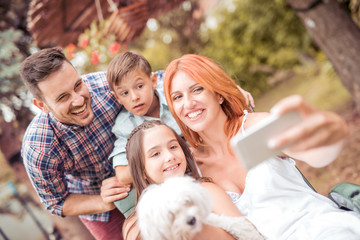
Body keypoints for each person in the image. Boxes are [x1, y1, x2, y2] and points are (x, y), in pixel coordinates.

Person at [163, 54, 360, 239]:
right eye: (177, 97)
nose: (188, 103)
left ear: (218, 94)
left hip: (324, 229)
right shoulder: (190, 169)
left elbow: (315, 152)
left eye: (197, 89)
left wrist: (327, 133)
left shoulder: (255, 128)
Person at [105, 51, 255, 217]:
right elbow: (122, 174)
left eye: (139, 86)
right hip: (182, 172)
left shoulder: (176, 97)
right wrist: (158, 159)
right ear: (117, 98)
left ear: (153, 81)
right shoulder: (125, 125)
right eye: (124, 93)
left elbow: (203, 88)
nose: (134, 97)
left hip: (209, 152)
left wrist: (232, 91)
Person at [19, 48, 131, 240]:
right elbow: (56, 202)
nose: (79, 100)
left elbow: (155, 88)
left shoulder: (110, 87)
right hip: (97, 206)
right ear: (42, 105)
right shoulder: (38, 149)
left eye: (78, 85)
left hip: (140, 176)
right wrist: (103, 202)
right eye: (63, 97)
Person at [121, 120, 263, 239]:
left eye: (173, 146)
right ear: (142, 169)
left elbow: (245, 232)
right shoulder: (135, 225)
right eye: (156, 154)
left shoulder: (205, 190)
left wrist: (194, 227)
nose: (169, 156)